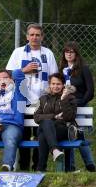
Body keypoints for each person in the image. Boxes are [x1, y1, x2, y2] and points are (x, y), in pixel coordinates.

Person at [6, 23, 58, 171]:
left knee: (40, 136)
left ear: (42, 37)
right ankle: (23, 167)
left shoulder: (48, 53)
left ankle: (38, 167)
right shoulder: (18, 52)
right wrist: (24, 70)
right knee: (23, 135)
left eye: (37, 35)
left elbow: (53, 77)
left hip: (42, 101)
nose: (34, 37)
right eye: (32, 34)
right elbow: (8, 75)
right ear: (27, 36)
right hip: (22, 100)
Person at [59, 41, 95, 171]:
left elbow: (90, 91)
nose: (69, 54)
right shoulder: (61, 70)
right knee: (68, 135)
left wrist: (80, 102)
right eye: (66, 52)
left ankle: (90, 165)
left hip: (79, 105)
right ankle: (70, 167)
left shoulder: (83, 69)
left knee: (79, 135)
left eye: (71, 52)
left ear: (76, 54)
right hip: (64, 106)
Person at [34, 73, 77, 171]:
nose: (55, 86)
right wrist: (54, 116)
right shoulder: (43, 98)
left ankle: (40, 169)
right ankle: (55, 150)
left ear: (63, 85)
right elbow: (36, 117)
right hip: (46, 127)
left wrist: (63, 99)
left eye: (58, 84)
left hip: (63, 129)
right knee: (46, 123)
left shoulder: (70, 98)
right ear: (49, 84)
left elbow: (69, 117)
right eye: (53, 84)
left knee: (43, 135)